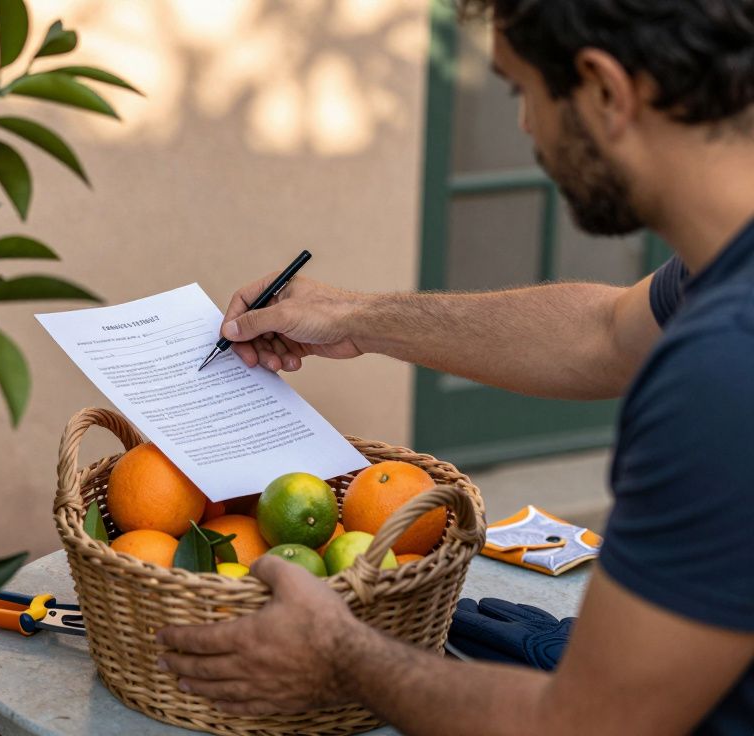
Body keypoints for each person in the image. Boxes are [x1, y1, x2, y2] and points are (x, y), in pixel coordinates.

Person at [157, 1, 754, 733]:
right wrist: (356, 318)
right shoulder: (724, 269)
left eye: (520, 90)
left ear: (604, 89)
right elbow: (603, 332)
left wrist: (340, 652)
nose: (526, 126)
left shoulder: (723, 373)